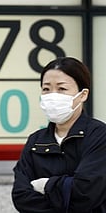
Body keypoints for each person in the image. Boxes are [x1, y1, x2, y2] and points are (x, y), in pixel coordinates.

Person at [12, 57, 106, 212]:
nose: (52, 95)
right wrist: (66, 187)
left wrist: (47, 185)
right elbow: (21, 196)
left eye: (62, 89)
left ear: (82, 95)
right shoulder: (36, 140)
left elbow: (86, 193)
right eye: (46, 89)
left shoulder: (99, 136)